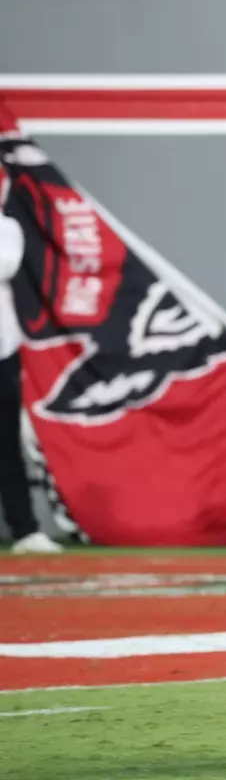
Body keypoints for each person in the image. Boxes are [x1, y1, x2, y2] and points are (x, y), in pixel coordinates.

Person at [0, 170, 61, 554]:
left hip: (2, 351)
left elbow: (5, 264)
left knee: (5, 443)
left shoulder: (7, 228)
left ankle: (25, 530)